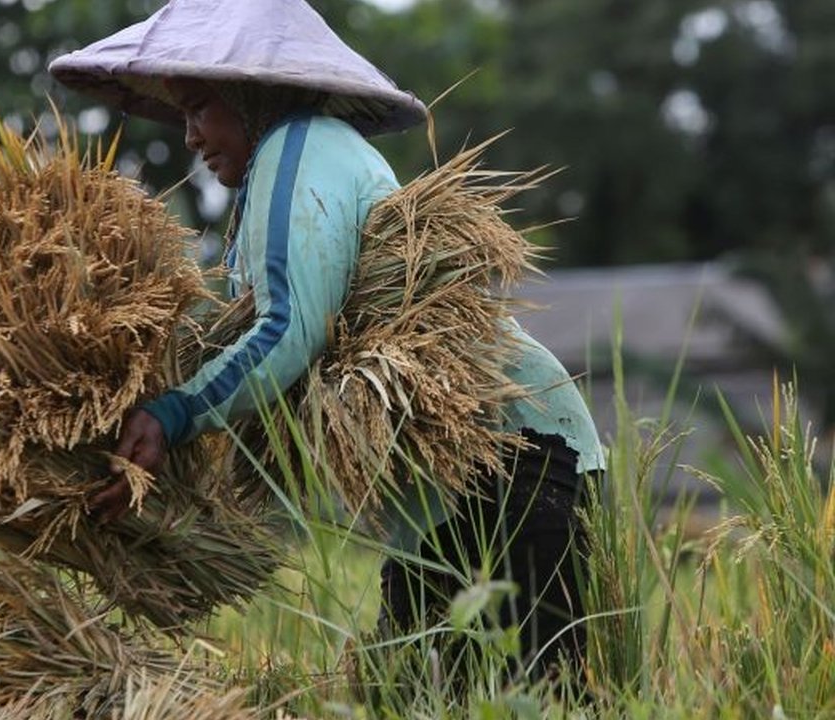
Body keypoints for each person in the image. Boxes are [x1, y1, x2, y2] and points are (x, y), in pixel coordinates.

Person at [50, 0, 605, 679]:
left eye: (200, 107)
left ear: (252, 95)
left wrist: (173, 415)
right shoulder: (263, 190)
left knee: (536, 686)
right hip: (456, 484)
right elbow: (224, 330)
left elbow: (287, 328)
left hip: (514, 449)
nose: (191, 136)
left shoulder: (297, 148)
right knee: (415, 688)